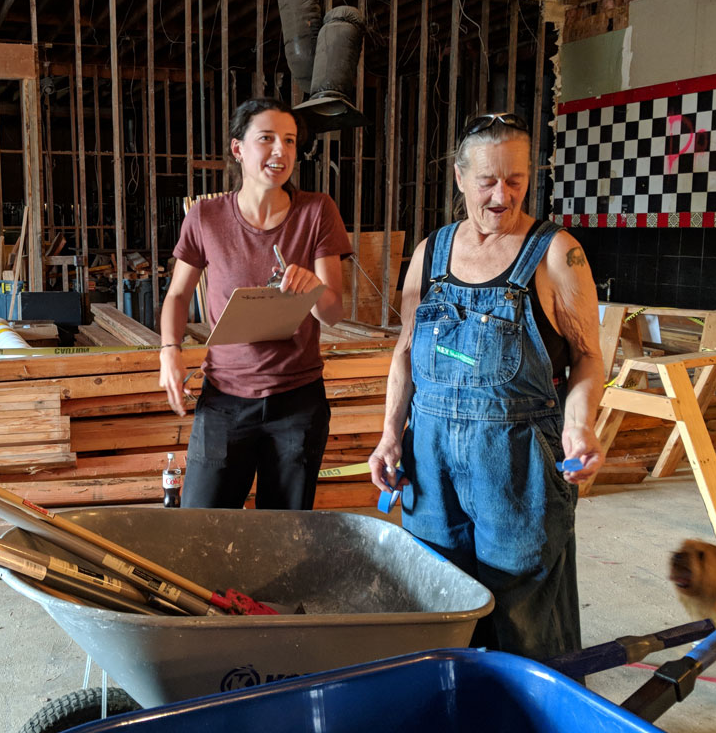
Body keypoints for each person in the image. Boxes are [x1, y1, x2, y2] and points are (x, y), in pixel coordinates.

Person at [367, 112, 604, 661]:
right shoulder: (431, 253)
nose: (502, 196)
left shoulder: (555, 254)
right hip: (430, 464)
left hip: (517, 464)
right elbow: (406, 352)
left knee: (523, 621)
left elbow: (589, 357)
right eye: (487, 180)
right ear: (458, 177)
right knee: (438, 611)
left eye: (516, 180)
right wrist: (389, 435)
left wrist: (579, 426)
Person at [158, 97, 353, 510]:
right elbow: (177, 294)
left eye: (290, 141)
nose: (280, 151)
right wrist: (169, 351)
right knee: (202, 525)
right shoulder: (206, 216)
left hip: (298, 403)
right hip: (224, 400)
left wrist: (313, 288)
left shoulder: (317, 212)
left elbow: (334, 313)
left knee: (282, 534)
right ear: (238, 149)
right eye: (266, 138)